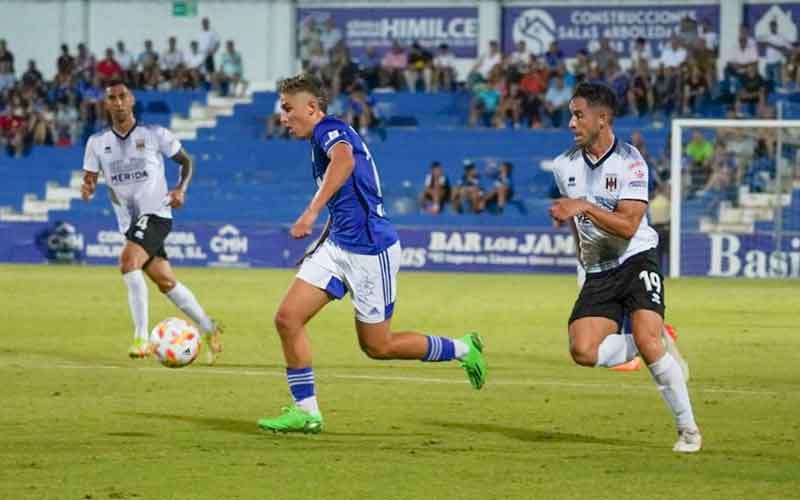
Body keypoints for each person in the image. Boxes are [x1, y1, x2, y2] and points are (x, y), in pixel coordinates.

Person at [257, 74, 486, 434]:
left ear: (312, 108)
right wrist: (318, 244)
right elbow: (343, 199)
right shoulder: (319, 142)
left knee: (378, 346)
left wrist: (310, 211)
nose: (282, 117)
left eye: (288, 109)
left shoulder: (329, 130)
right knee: (287, 318)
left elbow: (344, 162)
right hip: (337, 247)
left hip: (369, 249)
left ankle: (462, 348)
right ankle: (307, 412)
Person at [549, 82, 701, 453]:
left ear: (603, 119)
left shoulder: (630, 161)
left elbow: (629, 225)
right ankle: (655, 342)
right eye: (571, 114)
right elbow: (577, 226)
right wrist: (582, 265)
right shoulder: (563, 165)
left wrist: (583, 205)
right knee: (583, 351)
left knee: (649, 343)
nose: (571, 123)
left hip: (636, 258)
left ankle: (688, 430)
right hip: (599, 269)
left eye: (578, 114)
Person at [79, 80, 222, 362]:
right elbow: (90, 177)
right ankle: (209, 327)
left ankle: (141, 337)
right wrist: (87, 186)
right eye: (112, 98)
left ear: (131, 100)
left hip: (156, 213)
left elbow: (186, 161)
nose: (118, 102)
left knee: (128, 262)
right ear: (106, 104)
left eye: (123, 97)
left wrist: (181, 189)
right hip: (129, 223)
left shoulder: (154, 134)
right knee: (165, 281)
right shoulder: (96, 143)